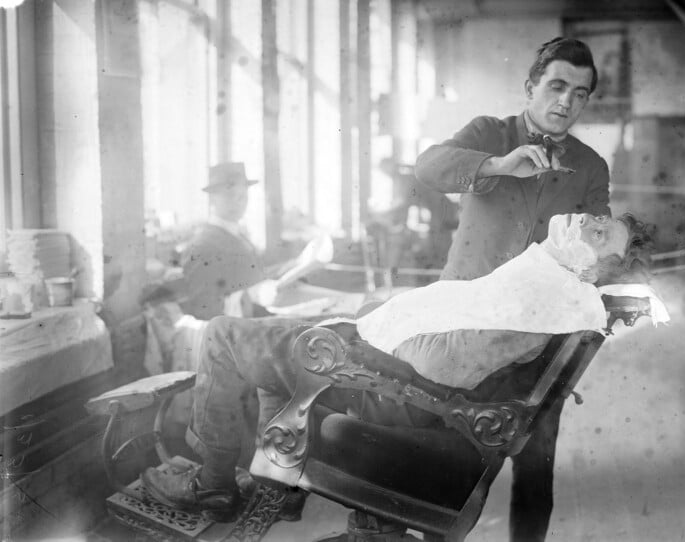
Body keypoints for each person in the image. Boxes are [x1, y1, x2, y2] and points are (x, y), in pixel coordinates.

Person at [139, 212, 653, 524]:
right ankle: (278, 490)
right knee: (279, 337)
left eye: (602, 232)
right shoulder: (553, 285)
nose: (588, 221)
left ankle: (212, 484)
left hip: (379, 387)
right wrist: (392, 313)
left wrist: (373, 332)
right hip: (381, 365)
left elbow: (444, 364)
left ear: (596, 267)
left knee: (221, 335)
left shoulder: (549, 301)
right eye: (598, 217)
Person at [415, 36, 609, 541]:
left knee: (535, 459)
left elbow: (600, 238)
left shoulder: (590, 167)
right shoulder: (489, 132)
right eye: (557, 86)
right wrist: (497, 166)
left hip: (538, 340)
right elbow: (428, 167)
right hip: (466, 323)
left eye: (581, 93)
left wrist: (596, 265)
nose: (567, 101)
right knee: (452, 457)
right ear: (531, 88)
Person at [179, 162, 283, 320]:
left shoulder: (239, 236)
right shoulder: (202, 245)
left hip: (256, 319)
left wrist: (286, 270)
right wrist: (250, 297)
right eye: (229, 195)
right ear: (212, 198)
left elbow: (251, 276)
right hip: (233, 334)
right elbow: (205, 310)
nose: (238, 202)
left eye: (242, 196)